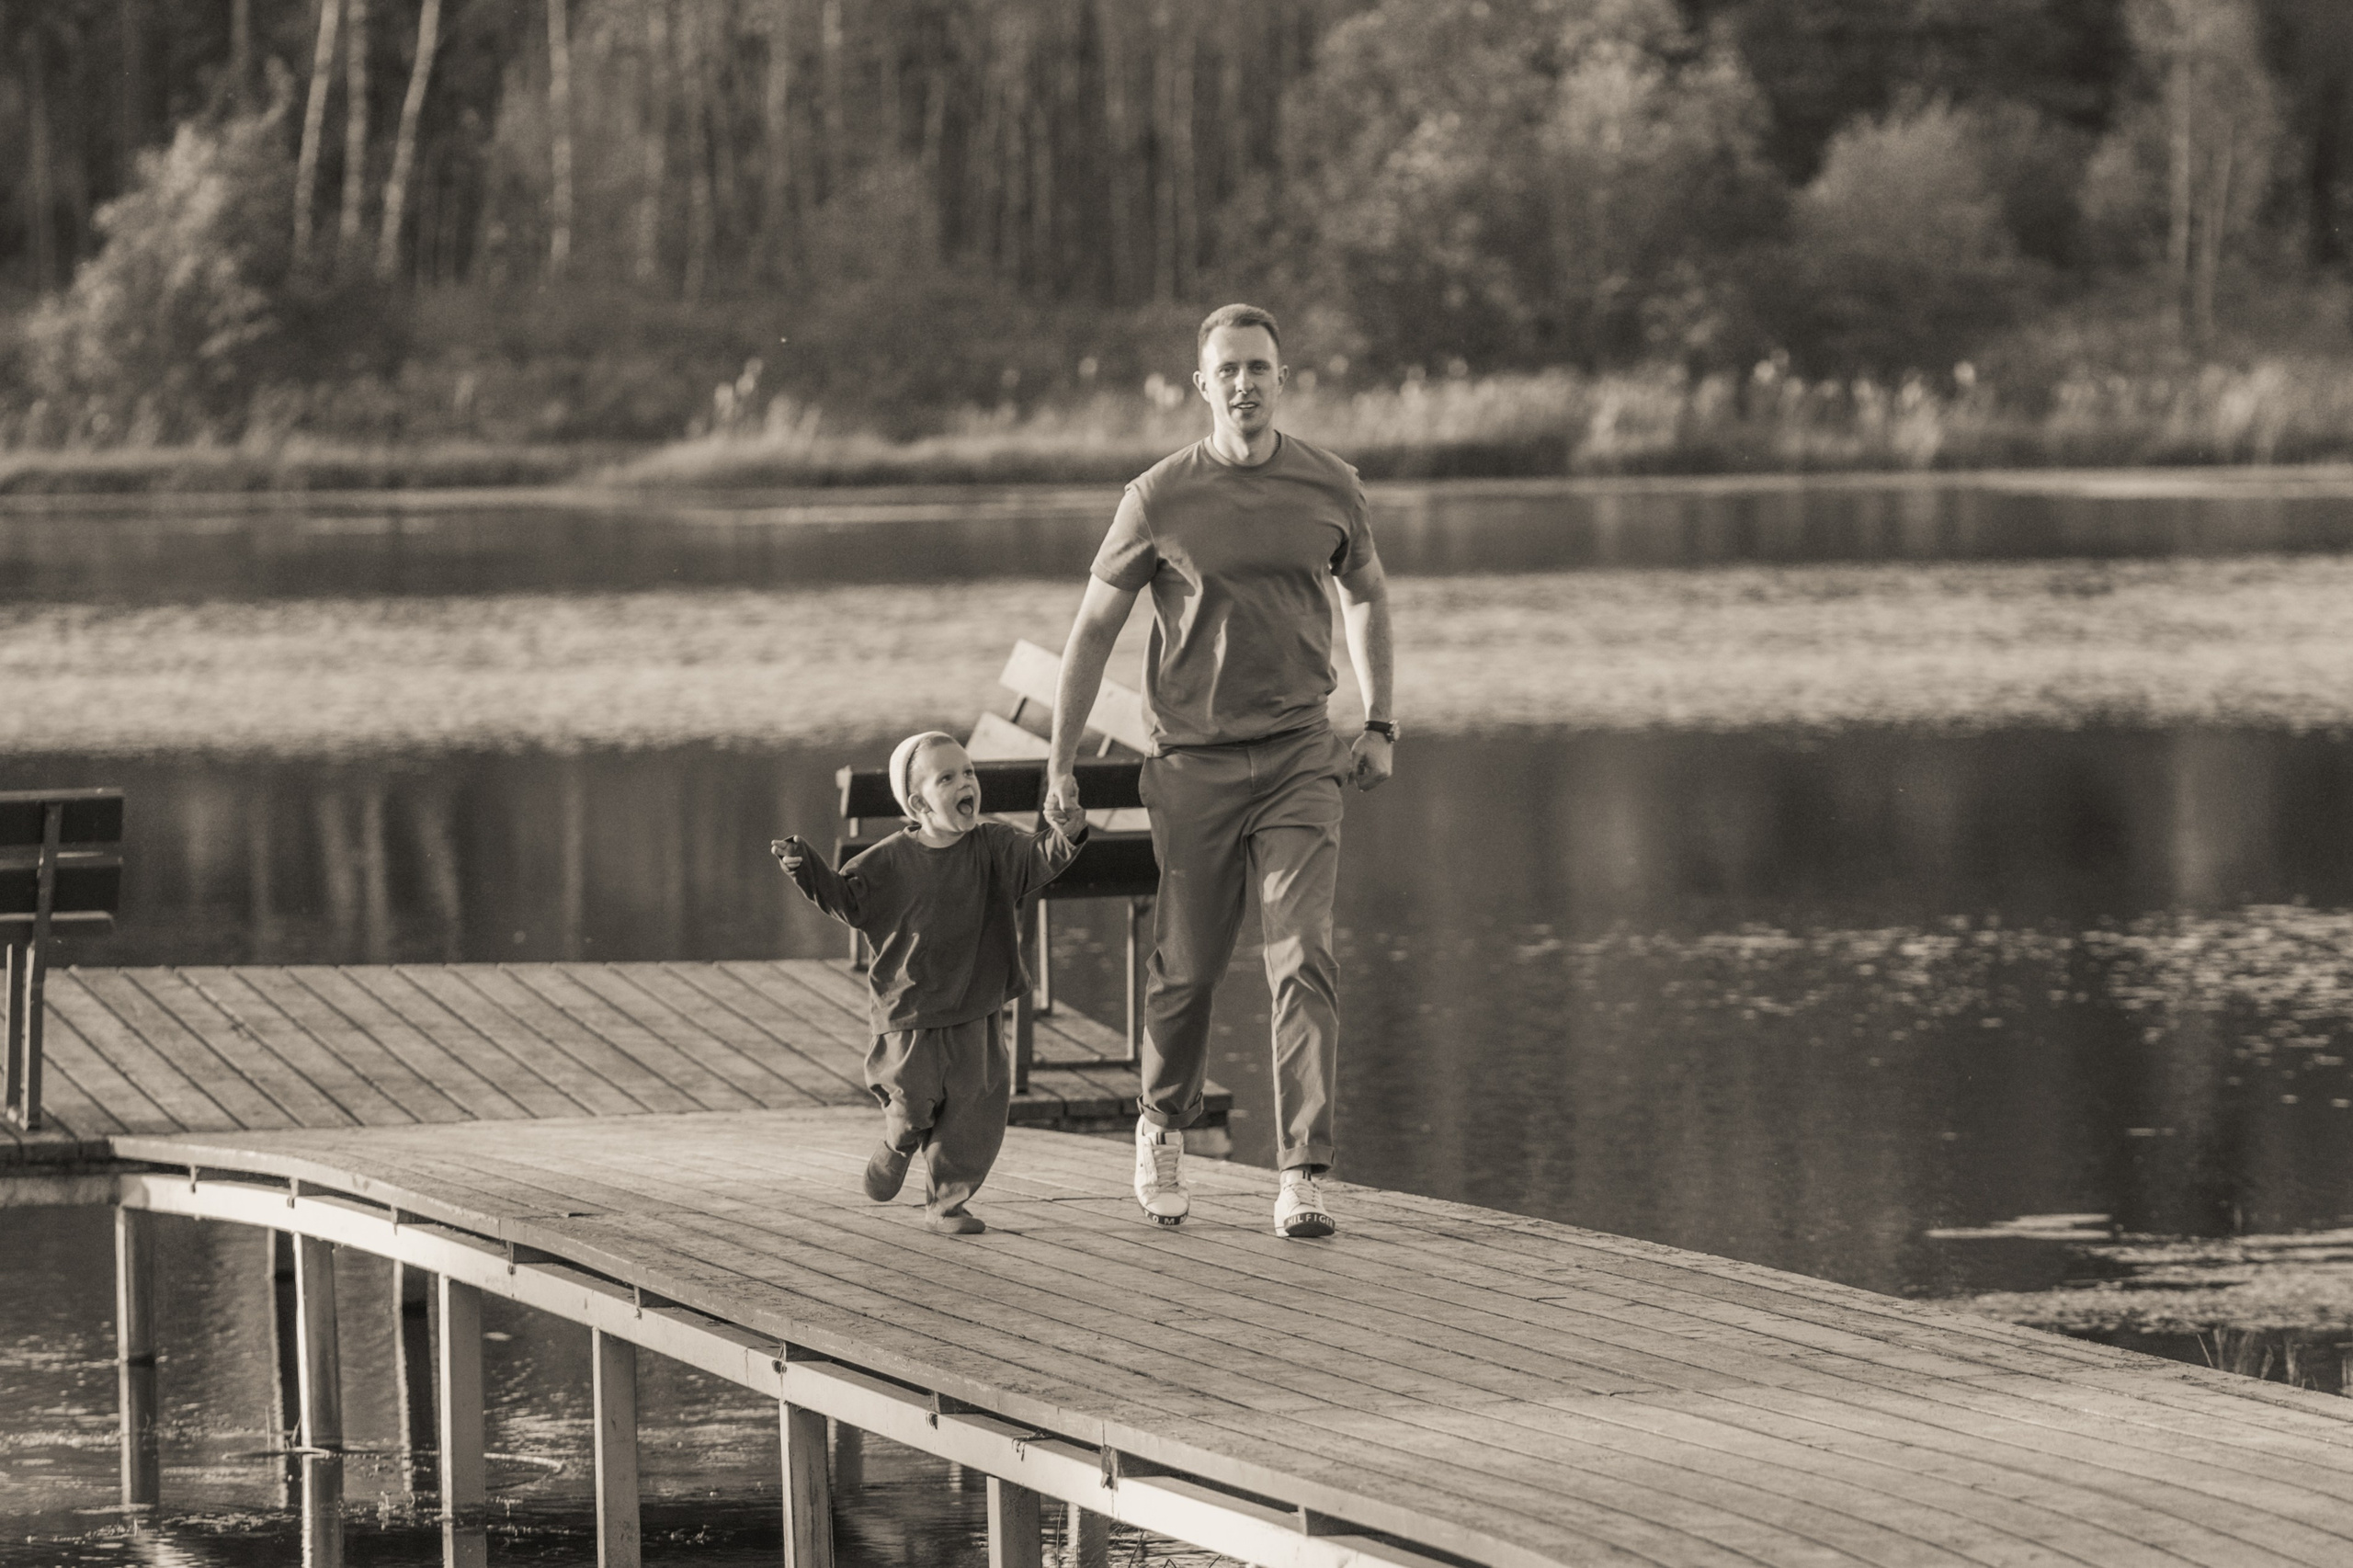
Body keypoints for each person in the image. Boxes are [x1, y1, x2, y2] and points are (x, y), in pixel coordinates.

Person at [1045, 303, 1396, 1239]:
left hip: (1299, 758)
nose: (1245, 383)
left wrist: (1379, 720)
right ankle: (1161, 1125)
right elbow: (1091, 631)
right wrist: (1061, 764)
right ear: (1202, 385)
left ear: (1283, 379)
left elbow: (1366, 595)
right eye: (1228, 369)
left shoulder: (1331, 484)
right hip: (1191, 764)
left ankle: (1302, 1174)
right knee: (1189, 970)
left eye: (1259, 367)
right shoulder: (1156, 497)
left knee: (1303, 956)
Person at [773, 731, 1086, 1234]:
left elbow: (1038, 857)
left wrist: (1066, 834)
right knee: (911, 1102)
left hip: (977, 1007)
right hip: (910, 1011)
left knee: (974, 1114)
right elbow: (846, 899)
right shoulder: (888, 860)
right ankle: (898, 1142)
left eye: (969, 773)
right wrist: (805, 866)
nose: (966, 783)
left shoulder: (995, 845)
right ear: (919, 803)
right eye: (948, 778)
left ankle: (947, 1205)